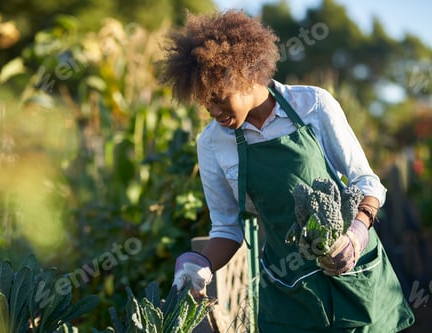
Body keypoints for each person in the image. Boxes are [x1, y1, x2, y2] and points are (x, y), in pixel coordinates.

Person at [158, 9, 415, 333]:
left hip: (354, 278)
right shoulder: (212, 143)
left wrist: (357, 233)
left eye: (221, 99)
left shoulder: (313, 105)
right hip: (290, 290)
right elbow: (227, 228)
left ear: (247, 74)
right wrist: (202, 263)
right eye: (206, 102)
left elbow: (367, 182)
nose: (214, 111)